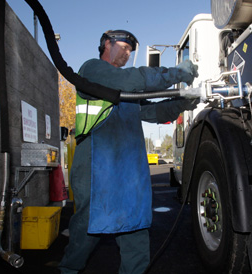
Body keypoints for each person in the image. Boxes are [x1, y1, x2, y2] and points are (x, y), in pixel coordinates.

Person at [58, 29, 199, 274]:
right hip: (96, 162)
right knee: (88, 226)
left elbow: (154, 111)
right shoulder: (92, 70)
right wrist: (177, 74)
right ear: (106, 44)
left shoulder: (127, 90)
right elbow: (132, 80)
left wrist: (184, 102)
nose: (127, 54)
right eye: (124, 47)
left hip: (128, 167)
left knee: (134, 225)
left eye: (131, 51)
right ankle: (69, 270)